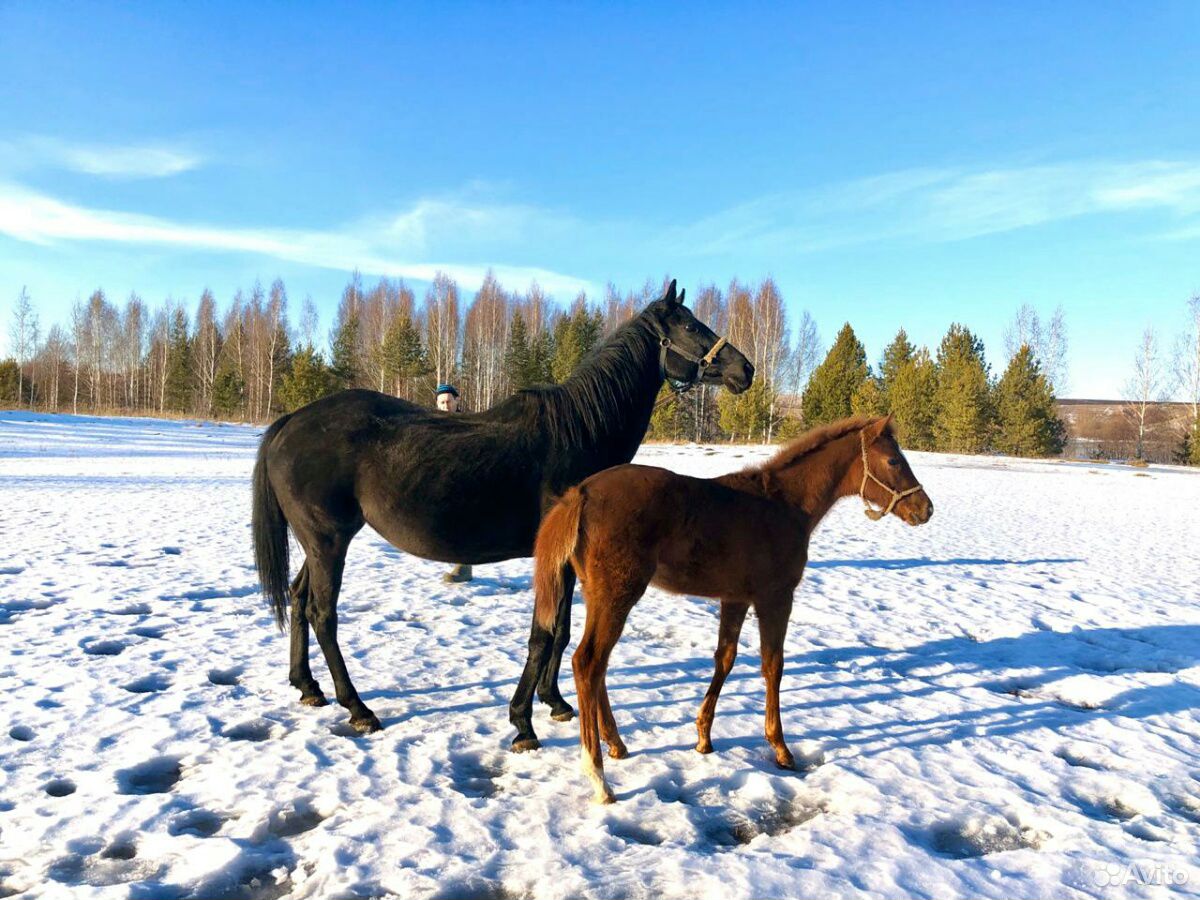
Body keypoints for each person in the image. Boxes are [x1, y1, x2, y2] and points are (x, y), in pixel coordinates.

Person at [436, 384, 473, 583]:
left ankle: (464, 566)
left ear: (457, 401)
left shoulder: (466, 423)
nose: (445, 405)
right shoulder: (432, 422)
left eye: (449, 401)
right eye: (442, 402)